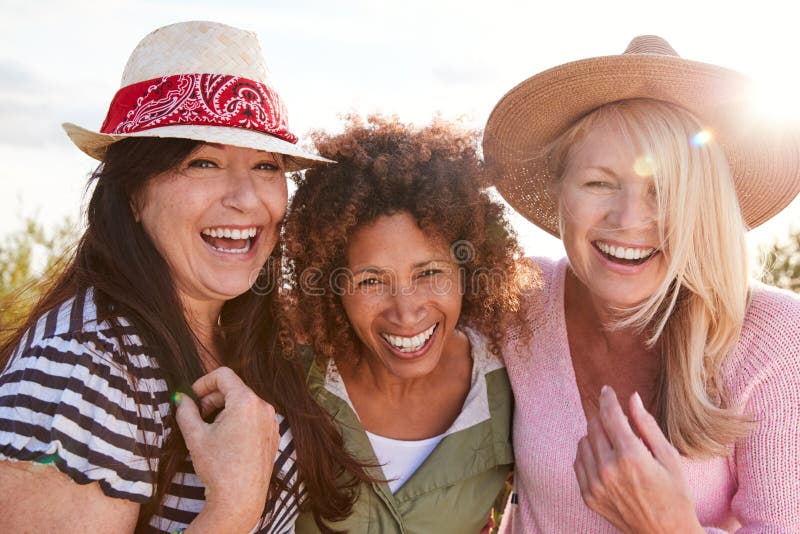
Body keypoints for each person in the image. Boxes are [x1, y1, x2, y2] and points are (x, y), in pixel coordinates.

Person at [0, 21, 369, 533]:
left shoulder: (242, 330)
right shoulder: (86, 367)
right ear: (132, 193)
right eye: (204, 163)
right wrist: (233, 507)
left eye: (265, 166)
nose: (245, 199)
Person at [482, 35, 800, 532]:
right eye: (599, 183)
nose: (630, 220)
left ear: (705, 206)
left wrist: (671, 527)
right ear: (558, 190)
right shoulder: (517, 297)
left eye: (666, 191)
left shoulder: (772, 338)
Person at [282, 116, 535, 533]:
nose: (406, 312)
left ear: (466, 268)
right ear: (331, 286)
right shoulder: (289, 384)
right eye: (371, 280)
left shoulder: (508, 386)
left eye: (428, 273)